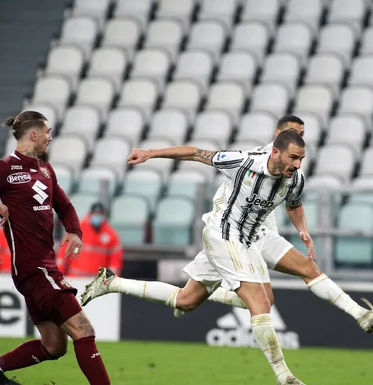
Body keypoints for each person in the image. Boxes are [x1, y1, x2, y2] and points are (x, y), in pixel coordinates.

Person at [83, 130, 309, 384]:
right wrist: (150, 153)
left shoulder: (293, 179)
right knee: (260, 301)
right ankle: (284, 376)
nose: (298, 164)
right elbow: (196, 153)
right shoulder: (243, 162)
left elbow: (295, 204)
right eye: (293, 157)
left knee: (186, 300)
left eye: (301, 158)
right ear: (276, 151)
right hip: (222, 236)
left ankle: (112, 283)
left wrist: (302, 229)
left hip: (239, 241)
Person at [198, 114, 373, 333]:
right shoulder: (251, 160)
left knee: (299, 275)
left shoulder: (292, 169)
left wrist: (303, 230)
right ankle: (209, 294)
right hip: (234, 235)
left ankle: (361, 314)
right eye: (293, 133)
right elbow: (207, 160)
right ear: (278, 136)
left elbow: (294, 203)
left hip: (261, 235)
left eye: (302, 134)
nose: (298, 137)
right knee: (204, 300)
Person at [0, 111, 111, 385]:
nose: (51, 137)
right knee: (83, 330)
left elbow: (65, 206)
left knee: (53, 346)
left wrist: (74, 230)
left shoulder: (45, 170)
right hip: (34, 268)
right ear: (34, 134)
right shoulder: (4, 169)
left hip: (40, 269)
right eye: (48, 132)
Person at [57, 202, 123, 277]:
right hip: (75, 279)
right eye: (95, 213)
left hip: (96, 282)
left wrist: (110, 281)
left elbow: (115, 262)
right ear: (90, 214)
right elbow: (63, 256)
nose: (97, 216)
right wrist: (59, 277)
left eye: (100, 214)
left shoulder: (111, 235)